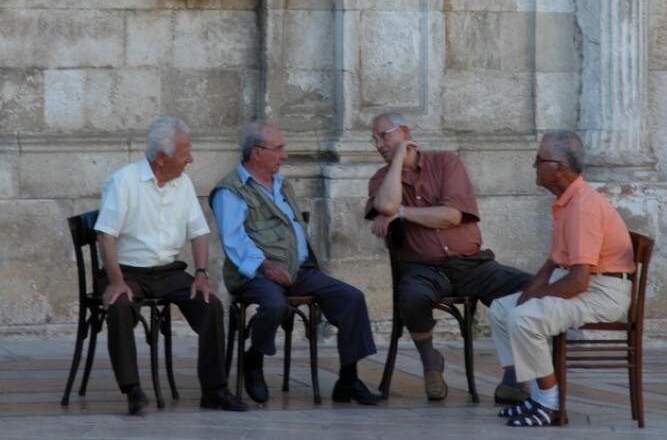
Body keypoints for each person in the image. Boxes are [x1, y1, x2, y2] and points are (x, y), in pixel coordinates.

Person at [364, 112, 533, 402]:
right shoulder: (381, 178)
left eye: (384, 135)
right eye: (374, 140)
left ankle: (515, 374)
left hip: (472, 264)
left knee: (532, 288)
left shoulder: (445, 163)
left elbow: (451, 216)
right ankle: (431, 363)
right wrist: (396, 161)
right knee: (412, 298)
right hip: (423, 269)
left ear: (404, 131)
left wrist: (401, 213)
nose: (378, 144)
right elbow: (384, 203)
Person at [209, 120, 381, 405]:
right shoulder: (231, 190)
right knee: (275, 305)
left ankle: (348, 380)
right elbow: (234, 240)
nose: (285, 155)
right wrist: (266, 266)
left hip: (298, 269)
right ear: (257, 152)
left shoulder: (281, 184)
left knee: (351, 298)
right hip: (257, 274)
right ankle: (254, 359)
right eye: (279, 149)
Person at [94, 116, 247, 415]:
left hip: (168, 272)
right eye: (185, 152)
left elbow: (199, 231)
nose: (191, 159)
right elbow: (106, 235)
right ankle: (132, 390)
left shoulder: (183, 183)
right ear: (161, 158)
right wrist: (115, 280)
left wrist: (201, 275)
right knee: (121, 304)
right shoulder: (124, 181)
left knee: (210, 303)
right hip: (126, 272)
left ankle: (214, 389)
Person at [489, 130, 635, 427]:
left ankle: (550, 404)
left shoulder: (583, 207)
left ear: (559, 168)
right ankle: (533, 393)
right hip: (587, 283)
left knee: (523, 318)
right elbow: (553, 262)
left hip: (603, 292)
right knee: (502, 309)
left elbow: (578, 282)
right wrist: (529, 292)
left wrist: (535, 298)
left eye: (539, 160)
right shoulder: (566, 201)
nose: (534, 165)